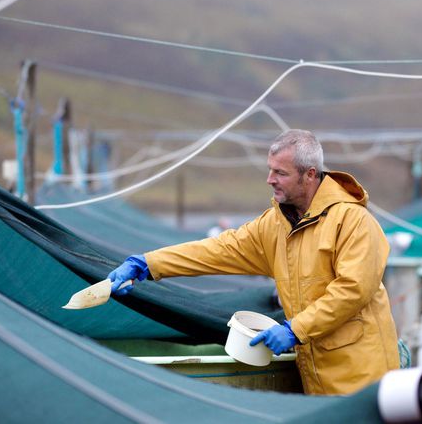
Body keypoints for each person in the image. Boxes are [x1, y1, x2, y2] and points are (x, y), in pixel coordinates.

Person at [108, 129, 400, 395]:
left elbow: (352, 289)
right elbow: (219, 249)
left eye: (280, 173)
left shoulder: (353, 221)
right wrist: (149, 263)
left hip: (364, 381)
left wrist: (294, 330)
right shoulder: (274, 225)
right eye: (270, 170)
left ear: (310, 175)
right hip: (318, 385)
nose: (269, 179)